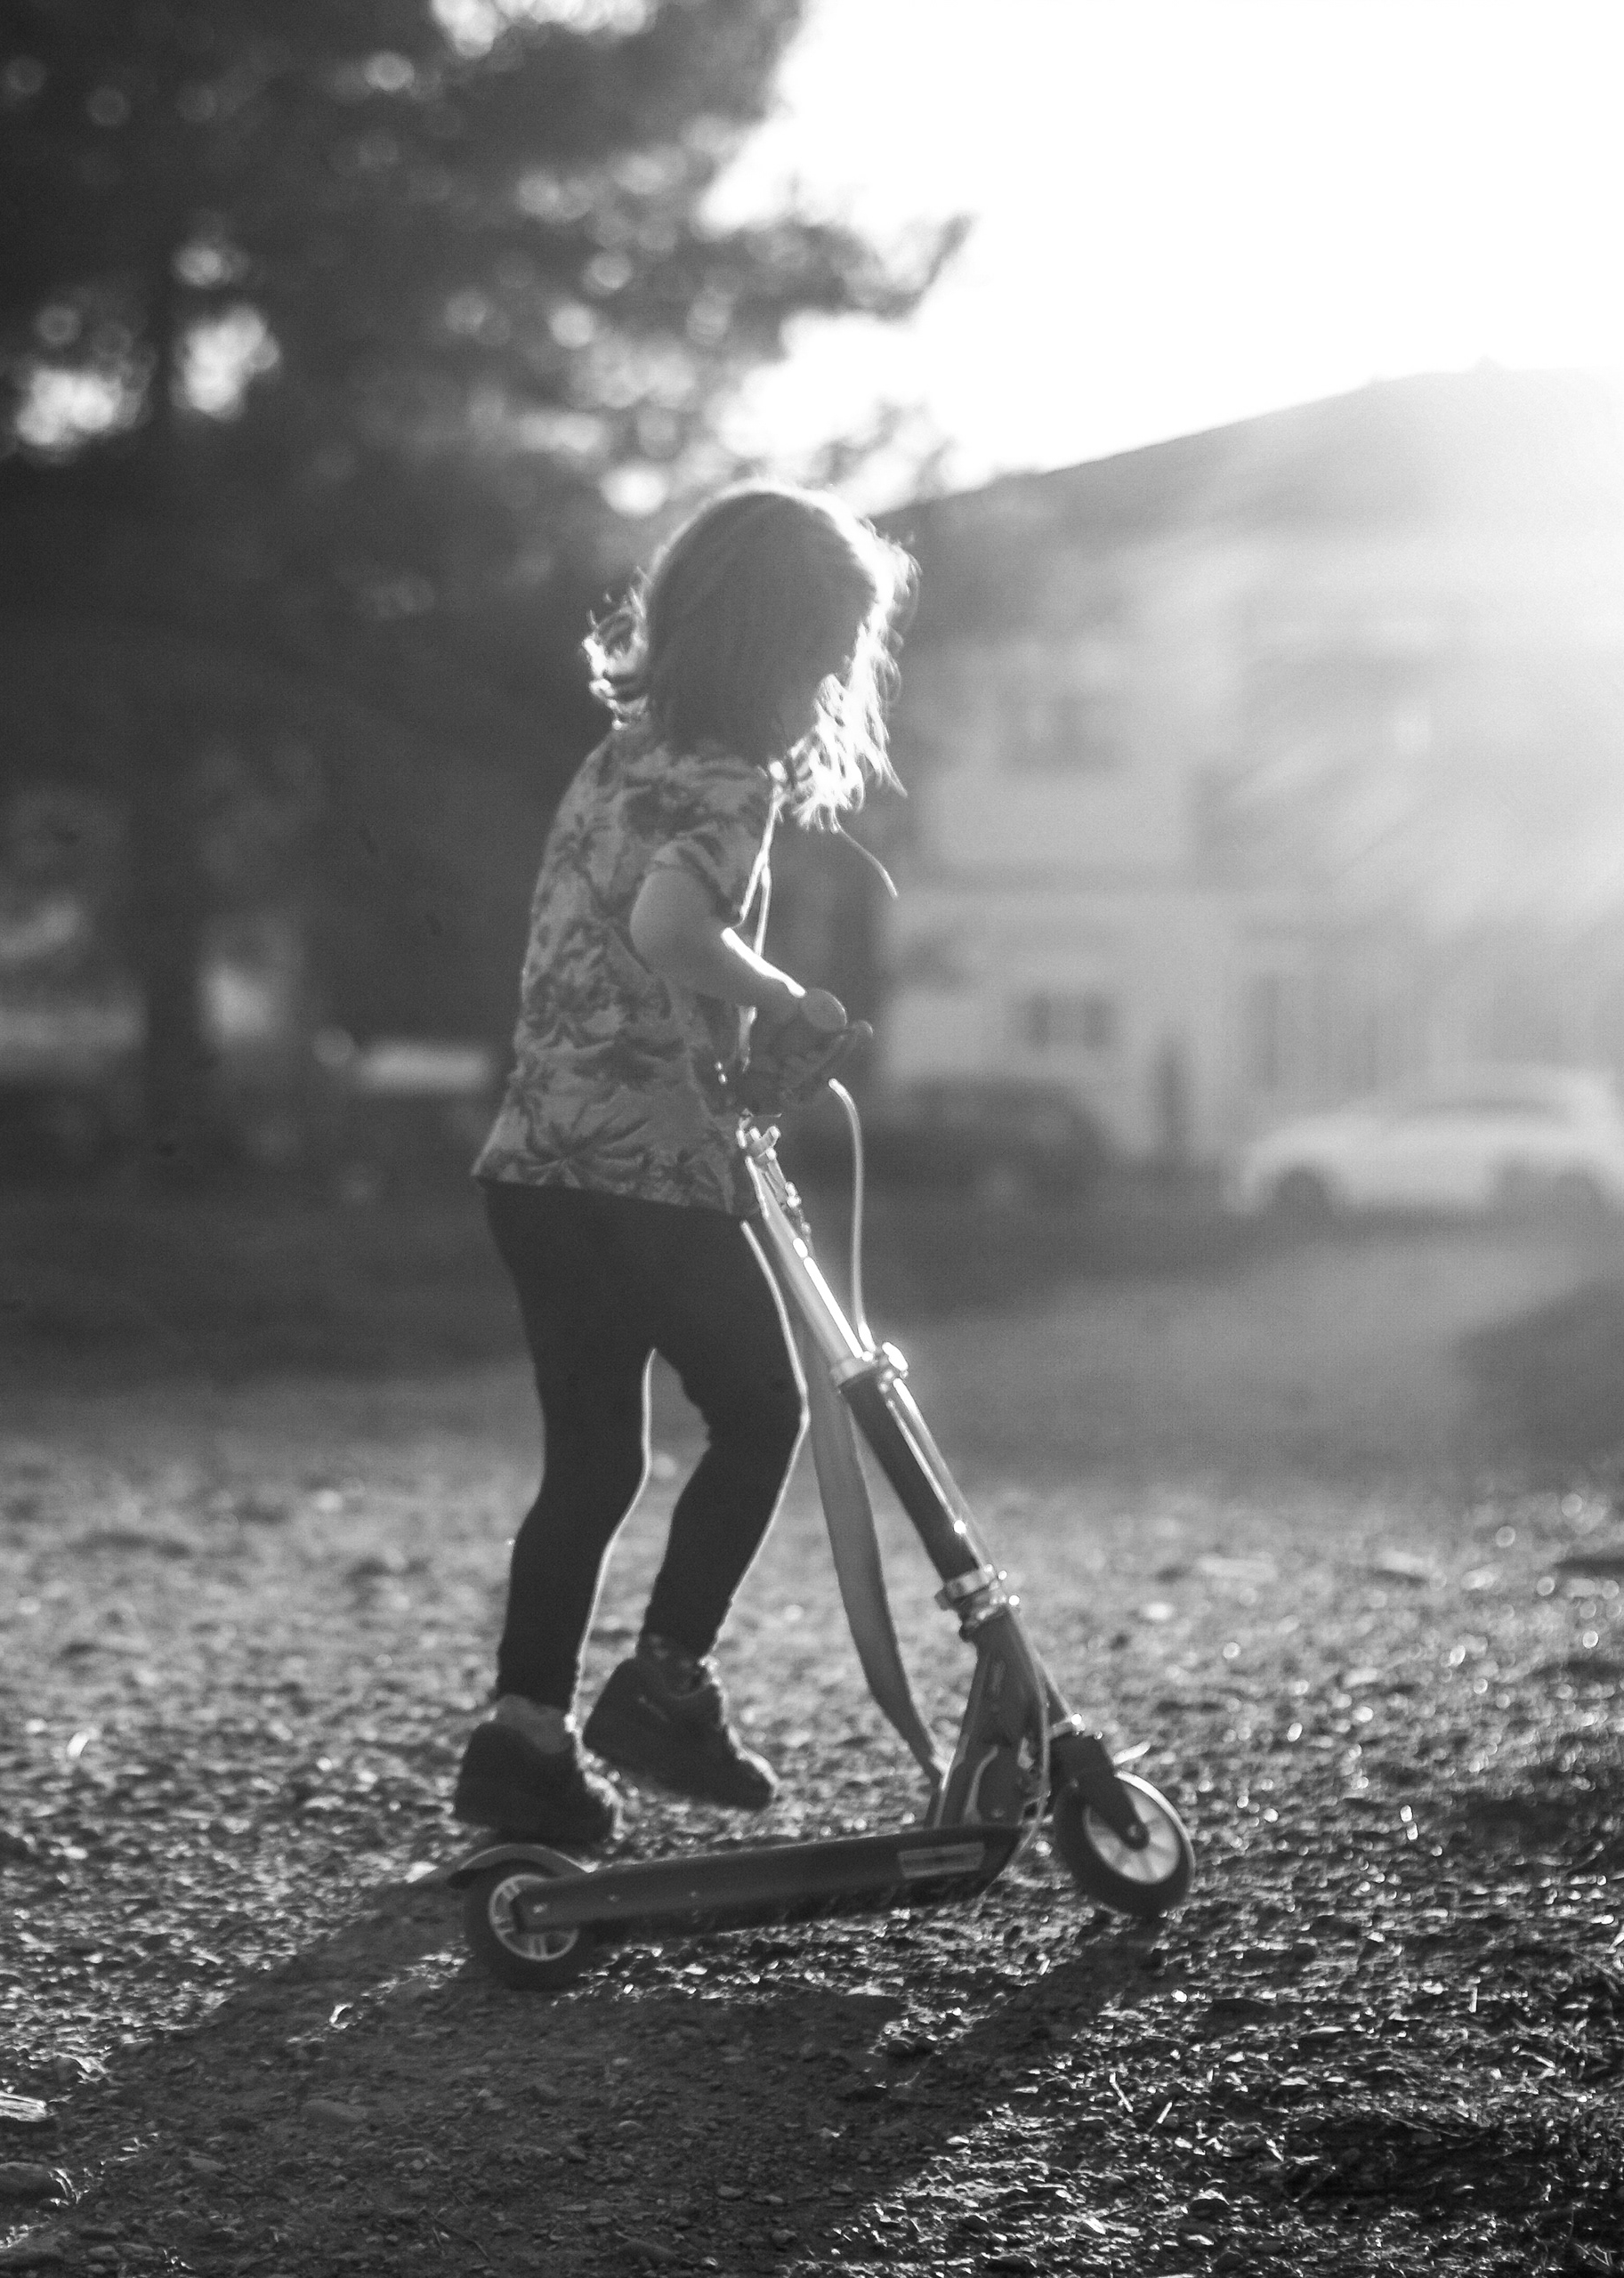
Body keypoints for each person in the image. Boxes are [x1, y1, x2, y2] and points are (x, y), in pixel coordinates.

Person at [453, 483, 913, 1849]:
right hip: (642, 1175)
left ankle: (522, 1745)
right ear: (780, 646)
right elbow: (668, 929)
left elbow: (611, 950)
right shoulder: (728, 779)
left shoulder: (616, 761)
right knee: (761, 1414)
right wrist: (783, 997)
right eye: (825, 652)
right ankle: (663, 1689)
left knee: (593, 1465)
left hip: (535, 1168)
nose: (829, 681)